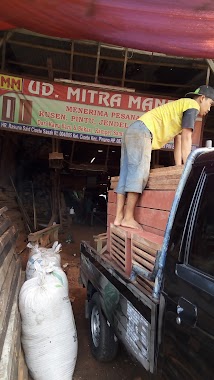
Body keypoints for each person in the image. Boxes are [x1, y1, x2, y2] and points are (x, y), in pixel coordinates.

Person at [114, 85, 214, 230]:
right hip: (143, 132)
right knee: (139, 174)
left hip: (133, 130)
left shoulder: (181, 106)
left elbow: (178, 141)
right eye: (210, 104)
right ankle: (128, 217)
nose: (209, 109)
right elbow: (187, 138)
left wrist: (180, 167)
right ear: (202, 98)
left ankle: (118, 217)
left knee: (125, 173)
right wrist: (190, 166)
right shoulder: (192, 105)